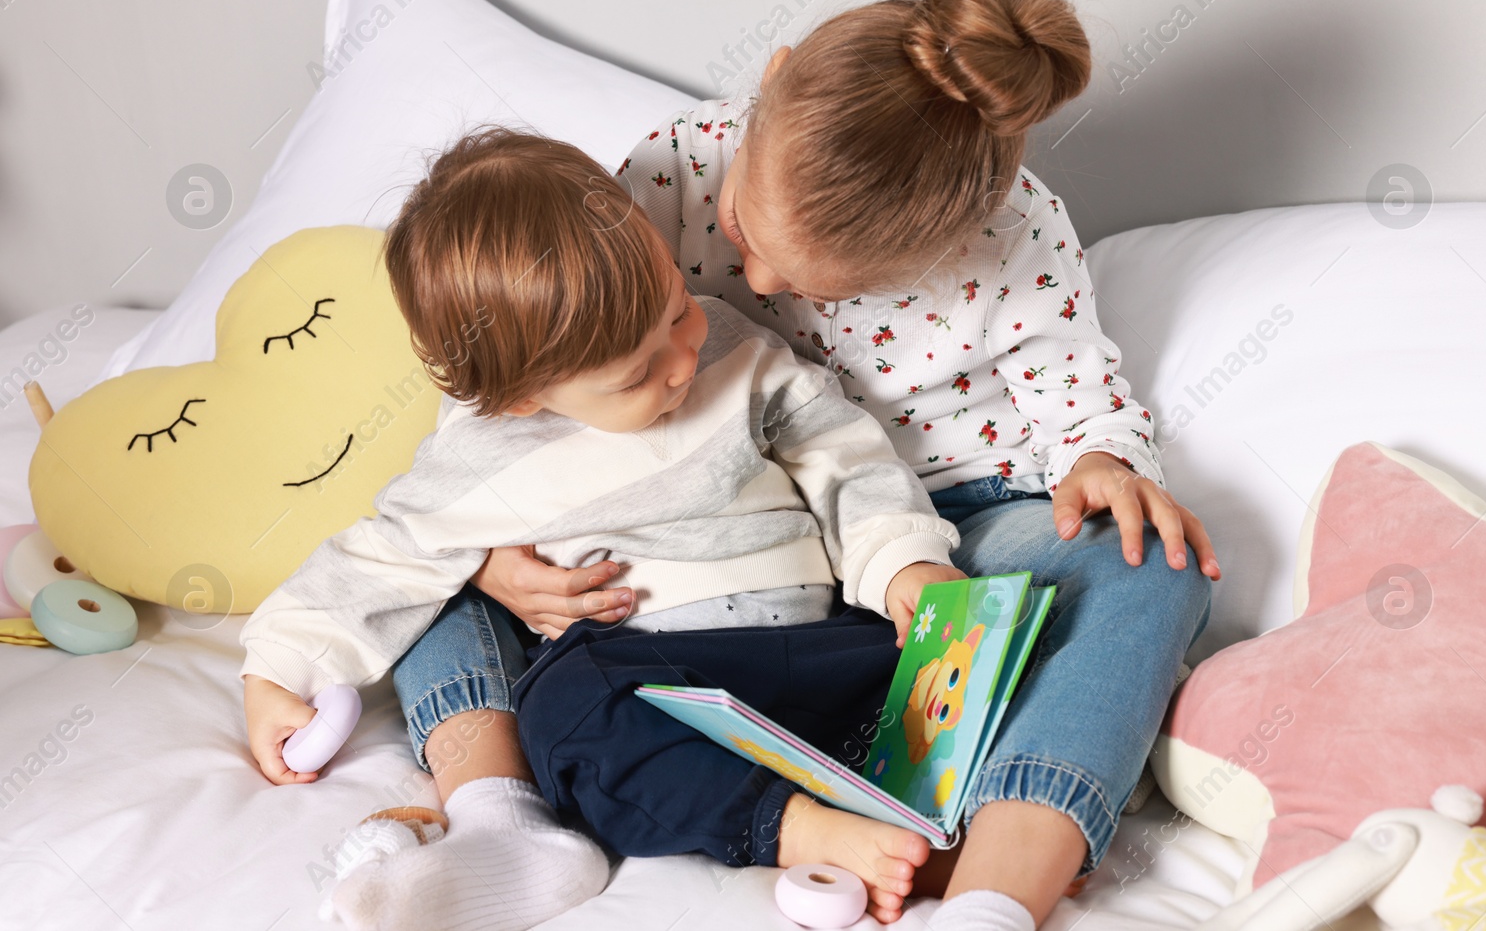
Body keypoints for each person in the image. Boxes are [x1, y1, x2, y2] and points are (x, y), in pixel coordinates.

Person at [475, 0, 1220, 930]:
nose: (750, 274)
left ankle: (994, 891)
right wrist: (490, 557)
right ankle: (487, 818)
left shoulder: (1018, 233)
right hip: (729, 522)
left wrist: (1099, 463)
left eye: (816, 289)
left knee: (1152, 564)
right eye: (742, 228)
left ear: (955, 241)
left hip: (950, 533)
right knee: (433, 565)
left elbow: (1082, 402)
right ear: (769, 79)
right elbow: (558, 360)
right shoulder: (672, 168)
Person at [237, 130, 966, 930]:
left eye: (676, 313)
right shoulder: (482, 458)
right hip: (661, 684)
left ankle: (955, 812)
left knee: (966, 657)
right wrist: (276, 670)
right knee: (567, 713)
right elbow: (380, 559)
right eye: (636, 373)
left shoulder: (735, 351)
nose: (684, 361)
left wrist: (904, 564)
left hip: (819, 653)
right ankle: (790, 826)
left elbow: (844, 456)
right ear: (523, 396)